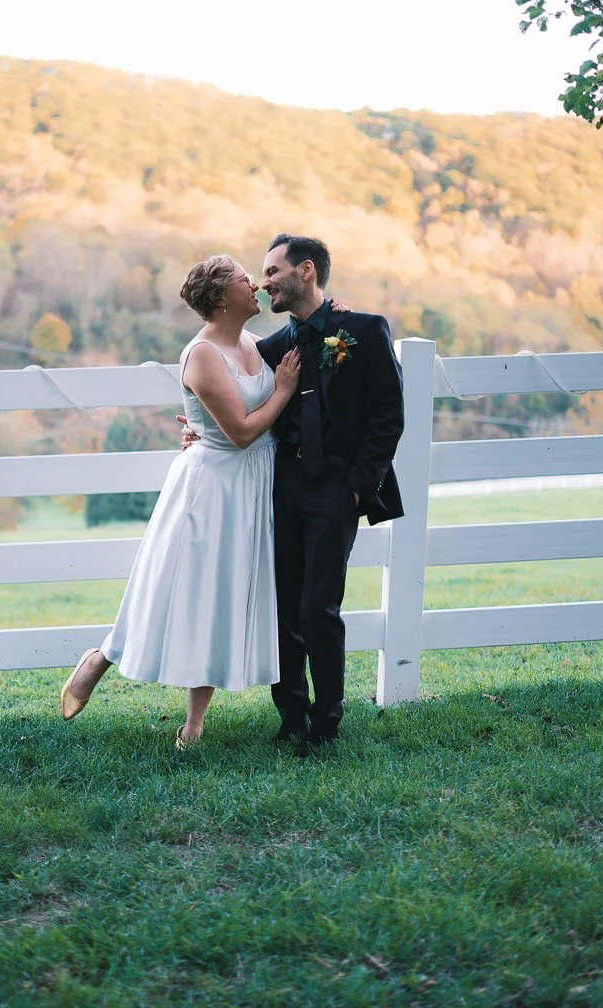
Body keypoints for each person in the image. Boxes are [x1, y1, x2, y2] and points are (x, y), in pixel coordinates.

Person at [60, 254, 301, 748]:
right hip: (211, 488)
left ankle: (194, 722)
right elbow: (238, 433)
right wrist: (284, 389)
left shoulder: (255, 343)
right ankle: (102, 658)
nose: (252, 282)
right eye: (241, 278)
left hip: (252, 487)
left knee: (220, 598)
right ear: (219, 297)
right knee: (177, 590)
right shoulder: (203, 354)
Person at [182, 234, 404, 753]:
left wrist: (357, 488)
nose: (263, 282)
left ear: (306, 271)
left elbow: (388, 416)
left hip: (337, 491)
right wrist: (195, 428)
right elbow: (230, 392)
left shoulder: (365, 331)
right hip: (279, 490)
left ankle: (327, 722)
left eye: (272, 271)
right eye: (258, 274)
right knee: (282, 609)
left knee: (318, 609)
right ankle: (291, 718)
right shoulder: (271, 348)